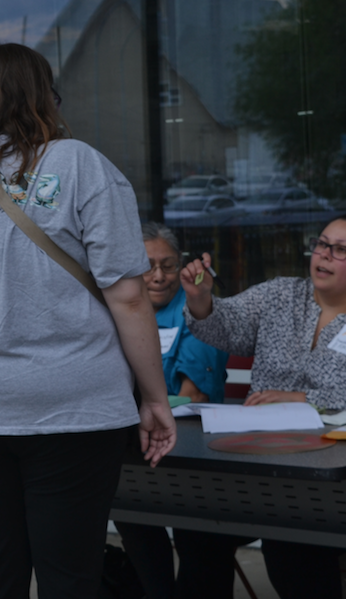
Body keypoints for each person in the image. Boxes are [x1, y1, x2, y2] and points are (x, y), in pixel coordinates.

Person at [0, 43, 176, 599]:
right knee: (69, 574)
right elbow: (127, 297)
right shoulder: (81, 165)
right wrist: (154, 398)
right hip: (69, 400)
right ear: (46, 97)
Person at [180, 212, 346, 599]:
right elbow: (227, 327)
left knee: (292, 542)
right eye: (321, 244)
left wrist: (304, 400)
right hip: (264, 466)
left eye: (341, 250)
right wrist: (201, 298)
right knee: (198, 529)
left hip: (345, 484)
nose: (323, 255)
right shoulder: (281, 295)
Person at [114, 222, 242, 599]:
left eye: (168, 265)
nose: (158, 276)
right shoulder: (115, 310)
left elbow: (193, 395)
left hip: (194, 454)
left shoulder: (197, 309)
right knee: (134, 524)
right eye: (147, 265)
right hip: (136, 449)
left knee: (201, 543)